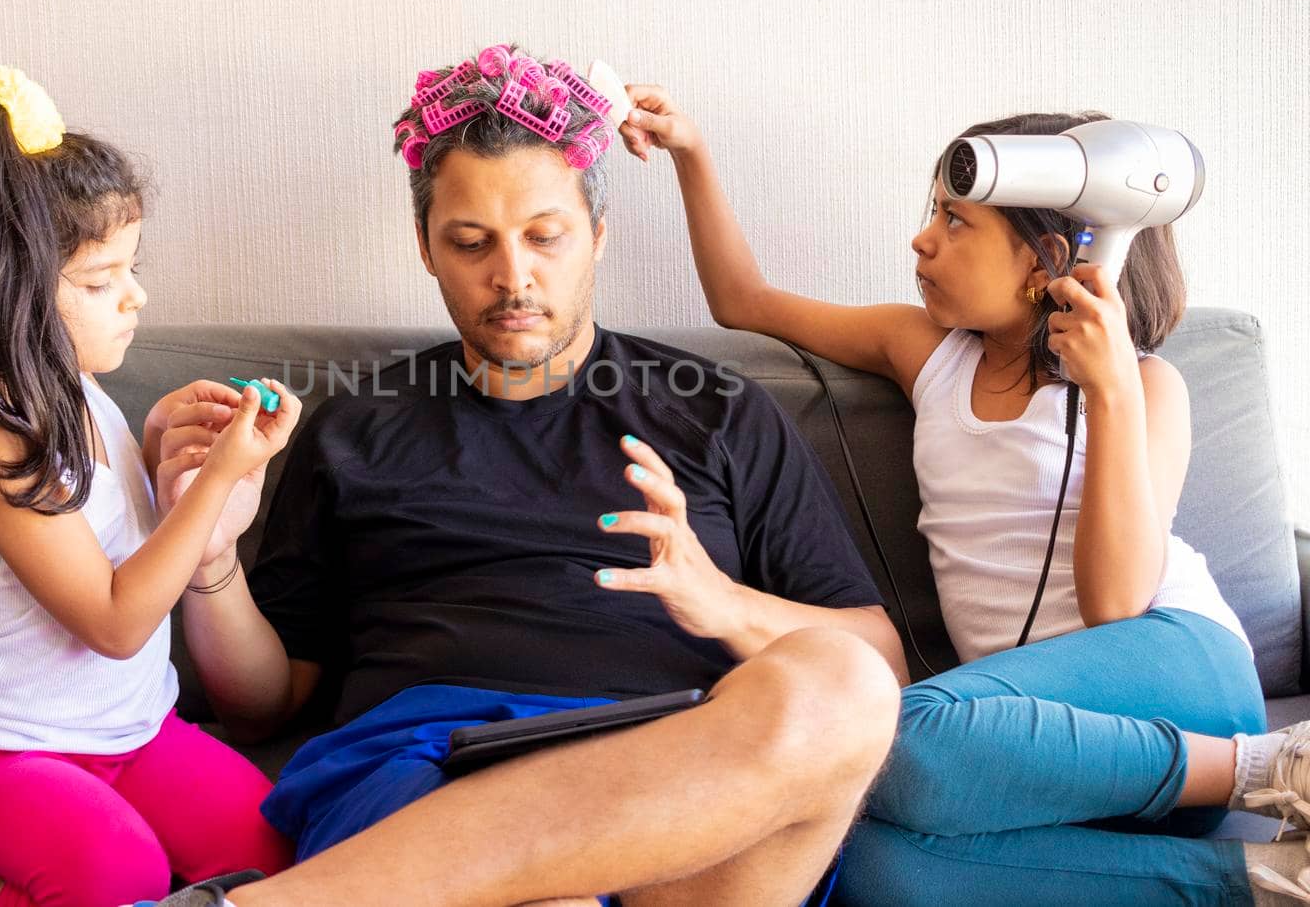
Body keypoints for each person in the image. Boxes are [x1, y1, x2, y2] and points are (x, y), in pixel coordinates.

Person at [149, 44, 904, 906]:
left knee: (843, 689)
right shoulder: (356, 429)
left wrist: (721, 603)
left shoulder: (719, 412)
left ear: (598, 237)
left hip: (677, 775)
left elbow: (879, 659)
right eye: (472, 243)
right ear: (427, 247)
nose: (514, 276)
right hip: (430, 765)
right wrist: (208, 561)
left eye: (545, 237)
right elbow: (265, 706)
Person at [621, 88, 1310, 905]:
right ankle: (1262, 882)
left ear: (1044, 257)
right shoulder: (924, 352)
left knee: (886, 734)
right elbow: (744, 301)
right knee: (855, 861)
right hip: (1033, 759)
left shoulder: (1151, 388)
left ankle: (1275, 764)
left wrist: (1113, 392)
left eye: (956, 222)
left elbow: (1117, 601)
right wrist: (692, 154)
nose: (923, 240)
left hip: (1181, 677)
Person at [0, 64, 299, 907]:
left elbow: (111, 530)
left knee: (276, 846)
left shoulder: (75, 387)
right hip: (6, 754)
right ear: (9, 292)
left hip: (134, 733)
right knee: (125, 875)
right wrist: (216, 478)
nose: (135, 297)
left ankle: (88, 822)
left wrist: (158, 448)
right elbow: (117, 622)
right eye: (99, 280)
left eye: (131, 267)